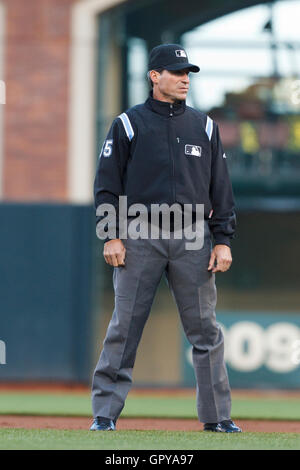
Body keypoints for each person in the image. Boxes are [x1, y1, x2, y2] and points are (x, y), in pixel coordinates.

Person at [91, 44, 242, 433]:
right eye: (176, 72)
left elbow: (221, 190)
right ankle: (104, 416)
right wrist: (111, 235)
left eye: (187, 72)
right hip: (140, 233)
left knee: (206, 331)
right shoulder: (128, 123)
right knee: (124, 328)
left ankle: (218, 418)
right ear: (154, 76)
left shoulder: (205, 125)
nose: (184, 79)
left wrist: (222, 240)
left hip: (194, 234)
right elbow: (107, 186)